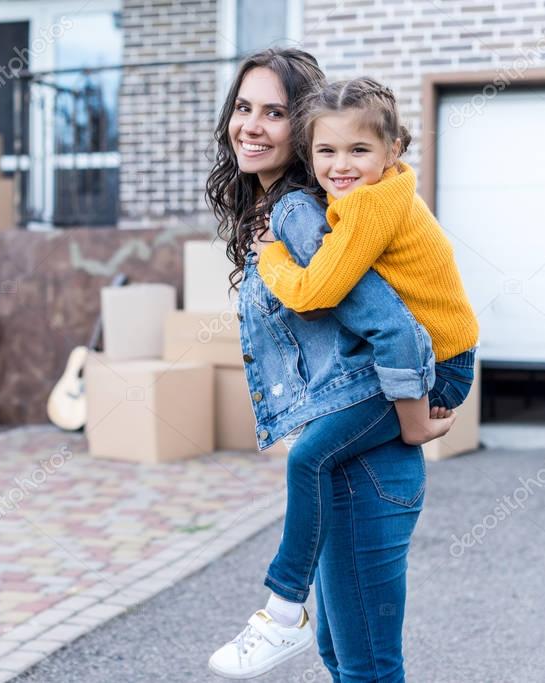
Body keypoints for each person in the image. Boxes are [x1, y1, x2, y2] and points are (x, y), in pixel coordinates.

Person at [205, 48, 438, 682]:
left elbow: (396, 327)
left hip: (368, 464)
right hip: (349, 456)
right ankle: (284, 616)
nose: (251, 125)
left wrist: (414, 416)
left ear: (303, 130)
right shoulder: (281, 212)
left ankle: (282, 612)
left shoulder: (299, 215)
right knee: (347, 660)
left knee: (365, 668)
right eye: (243, 107)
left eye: (274, 113)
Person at [257, 77, 480, 444]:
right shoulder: (389, 186)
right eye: (326, 151)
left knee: (308, 457)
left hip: (435, 363)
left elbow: (313, 296)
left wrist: (271, 255)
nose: (341, 165)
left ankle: (416, 429)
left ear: (392, 151)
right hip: (442, 355)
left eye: (358, 150)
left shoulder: (367, 207)